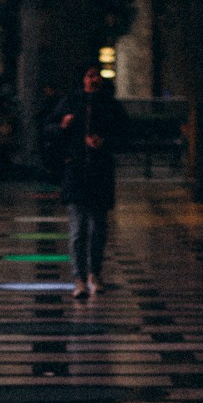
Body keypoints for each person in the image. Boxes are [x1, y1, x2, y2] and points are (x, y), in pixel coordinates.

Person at [46, 66, 130, 298]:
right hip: (76, 171)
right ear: (83, 79)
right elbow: (49, 128)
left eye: (97, 76)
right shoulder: (71, 102)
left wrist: (104, 142)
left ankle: (95, 273)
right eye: (89, 75)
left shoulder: (110, 105)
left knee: (98, 228)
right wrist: (62, 126)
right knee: (78, 229)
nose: (94, 80)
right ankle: (78, 277)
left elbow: (126, 134)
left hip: (100, 172)